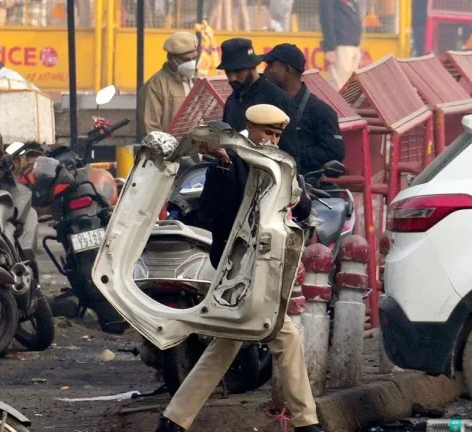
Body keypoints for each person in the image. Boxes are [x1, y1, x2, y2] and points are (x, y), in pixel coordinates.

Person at [154, 105, 322, 432]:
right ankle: (306, 423)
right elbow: (213, 207)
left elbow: (302, 207)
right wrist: (222, 165)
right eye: (267, 133)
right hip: (236, 267)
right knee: (283, 335)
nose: (272, 139)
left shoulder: (278, 162)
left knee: (227, 343)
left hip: (263, 265)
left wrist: (295, 188)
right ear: (250, 128)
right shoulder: (230, 159)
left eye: (277, 134)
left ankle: (173, 421)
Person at [263, 43, 345, 175]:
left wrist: (289, 153)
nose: (265, 71)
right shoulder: (266, 104)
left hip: (304, 182)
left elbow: (334, 153)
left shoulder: (321, 111)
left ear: (287, 70)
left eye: (271, 65)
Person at [138, 31, 201, 136]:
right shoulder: (155, 86)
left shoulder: (200, 80)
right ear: (170, 58)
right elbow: (150, 130)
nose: (191, 63)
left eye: (194, 58)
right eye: (185, 60)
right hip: (172, 145)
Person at [319, 0, 363, 90]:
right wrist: (330, 48)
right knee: (338, 85)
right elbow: (326, 20)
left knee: (351, 88)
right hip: (341, 46)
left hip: (354, 45)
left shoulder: (352, 2)